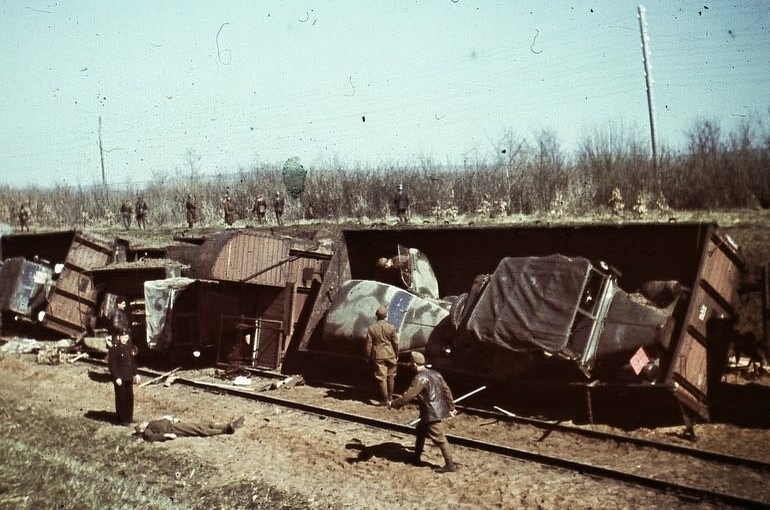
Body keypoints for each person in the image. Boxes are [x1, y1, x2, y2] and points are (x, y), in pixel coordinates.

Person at [389, 351, 457, 473]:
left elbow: (409, 395)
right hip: (431, 411)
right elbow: (447, 391)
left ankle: (450, 464)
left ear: (414, 364)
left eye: (411, 363)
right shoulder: (436, 373)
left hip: (431, 413)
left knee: (440, 438)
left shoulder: (420, 378)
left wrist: (394, 404)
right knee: (420, 432)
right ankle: (416, 457)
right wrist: (451, 407)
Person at [365, 305, 399, 406]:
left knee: (381, 378)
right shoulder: (391, 327)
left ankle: (384, 400)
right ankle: (390, 397)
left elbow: (368, 345)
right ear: (386, 316)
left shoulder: (372, 328)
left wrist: (368, 356)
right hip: (390, 354)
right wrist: (396, 354)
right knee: (391, 377)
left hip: (379, 355)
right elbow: (396, 343)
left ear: (377, 316)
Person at [108, 327, 140, 426]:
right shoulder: (114, 349)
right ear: (118, 337)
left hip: (128, 377)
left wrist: (136, 374)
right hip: (120, 378)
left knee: (129, 398)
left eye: (126, 337)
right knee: (121, 398)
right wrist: (116, 377)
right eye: (123, 337)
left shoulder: (129, 347)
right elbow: (112, 365)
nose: (124, 339)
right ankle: (122, 419)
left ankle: (129, 418)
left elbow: (132, 363)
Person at [134, 415, 245, 442]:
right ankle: (226, 430)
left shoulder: (151, 423)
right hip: (174, 430)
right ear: (142, 430)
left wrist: (170, 418)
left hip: (175, 424)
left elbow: (162, 419)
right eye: (141, 425)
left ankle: (229, 424)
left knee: (204, 425)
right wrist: (166, 435)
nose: (143, 422)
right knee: (200, 430)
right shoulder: (147, 431)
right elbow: (152, 437)